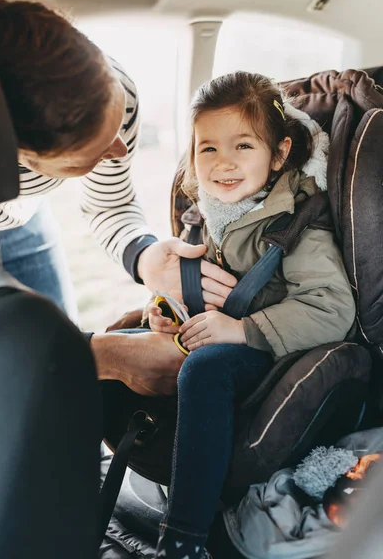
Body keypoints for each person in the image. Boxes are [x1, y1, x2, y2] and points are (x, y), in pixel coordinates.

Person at [141, 71, 356, 559]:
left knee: (204, 370)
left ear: (279, 154)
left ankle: (185, 537)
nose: (223, 164)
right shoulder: (208, 213)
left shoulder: (295, 223)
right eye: (208, 149)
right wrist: (167, 313)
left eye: (242, 146)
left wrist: (241, 330)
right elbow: (199, 285)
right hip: (225, 329)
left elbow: (331, 308)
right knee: (131, 336)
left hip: (279, 350)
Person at [0, 0, 236, 321]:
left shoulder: (117, 91)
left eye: (117, 128)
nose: (119, 151)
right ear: (18, 156)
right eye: (90, 156)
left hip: (25, 220)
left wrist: (144, 258)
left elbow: (109, 202)